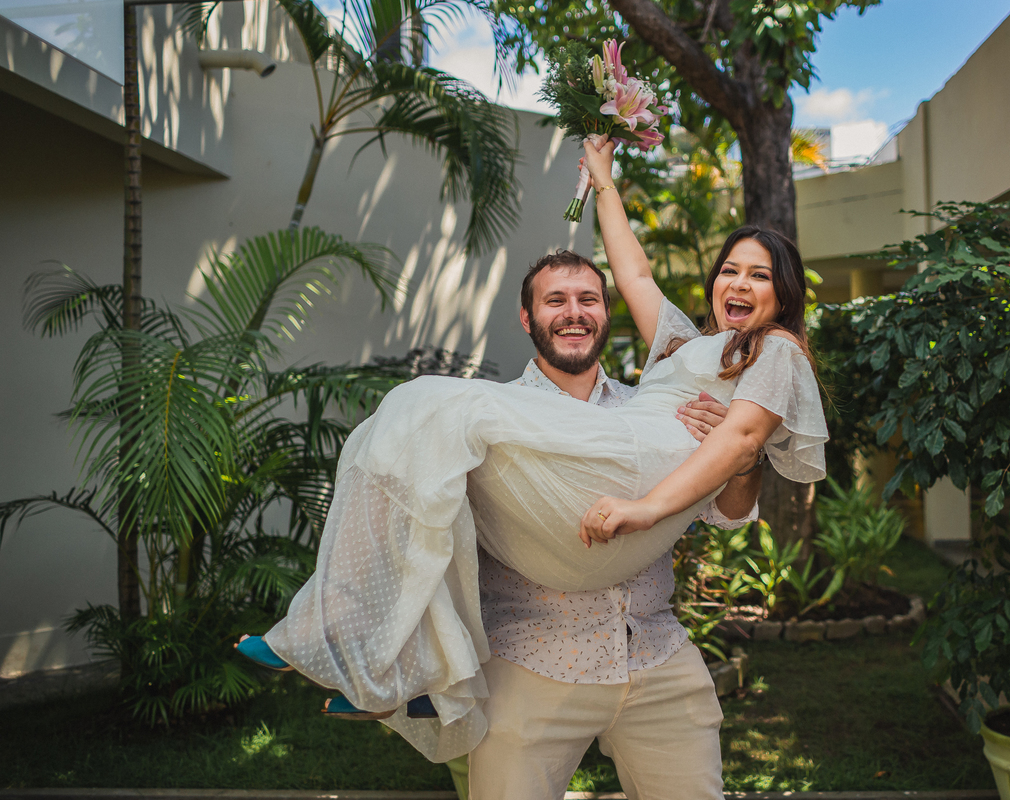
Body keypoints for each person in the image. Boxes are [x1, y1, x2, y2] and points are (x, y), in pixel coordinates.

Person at [245, 138, 827, 767]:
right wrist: (604, 180)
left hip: (636, 489)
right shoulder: (683, 345)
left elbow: (742, 440)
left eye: (759, 275)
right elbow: (634, 273)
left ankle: (363, 643)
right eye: (730, 270)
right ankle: (387, 656)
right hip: (547, 624)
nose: (739, 283)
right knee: (414, 429)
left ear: (784, 295)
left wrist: (649, 508)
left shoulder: (777, 350)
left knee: (427, 404)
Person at [468, 248, 760, 800]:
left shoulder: (657, 410)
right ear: (527, 318)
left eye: (588, 300)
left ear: (606, 313)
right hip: (532, 662)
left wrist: (738, 456)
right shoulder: (491, 418)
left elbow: (728, 515)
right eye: (555, 301)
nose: (574, 313)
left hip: (658, 657)